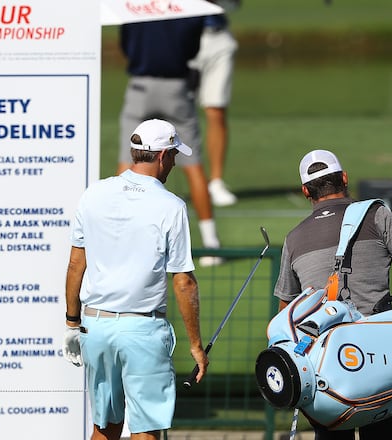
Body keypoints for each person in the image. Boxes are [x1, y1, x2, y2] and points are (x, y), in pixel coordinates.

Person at [274, 149, 392, 440]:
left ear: (305, 191)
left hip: (325, 373)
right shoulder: (377, 215)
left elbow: (286, 316)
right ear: (343, 178)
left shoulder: (293, 239)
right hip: (381, 361)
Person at [63, 119, 209, 440]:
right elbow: (183, 282)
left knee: (104, 427)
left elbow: (76, 264)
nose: (173, 161)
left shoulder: (94, 193)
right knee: (146, 429)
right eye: (172, 154)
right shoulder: (171, 206)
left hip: (95, 326)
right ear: (161, 156)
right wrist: (196, 346)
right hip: (142, 330)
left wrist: (72, 323)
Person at [117, 17, 223, 266]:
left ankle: (119, 239)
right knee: (193, 164)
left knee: (127, 160)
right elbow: (192, 49)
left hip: (140, 87)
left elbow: (126, 44)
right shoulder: (187, 9)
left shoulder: (136, 8)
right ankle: (211, 244)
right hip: (177, 88)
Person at [189, 4, 240, 207]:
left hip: (218, 37)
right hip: (183, 37)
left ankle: (216, 182)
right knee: (176, 111)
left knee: (216, 111)